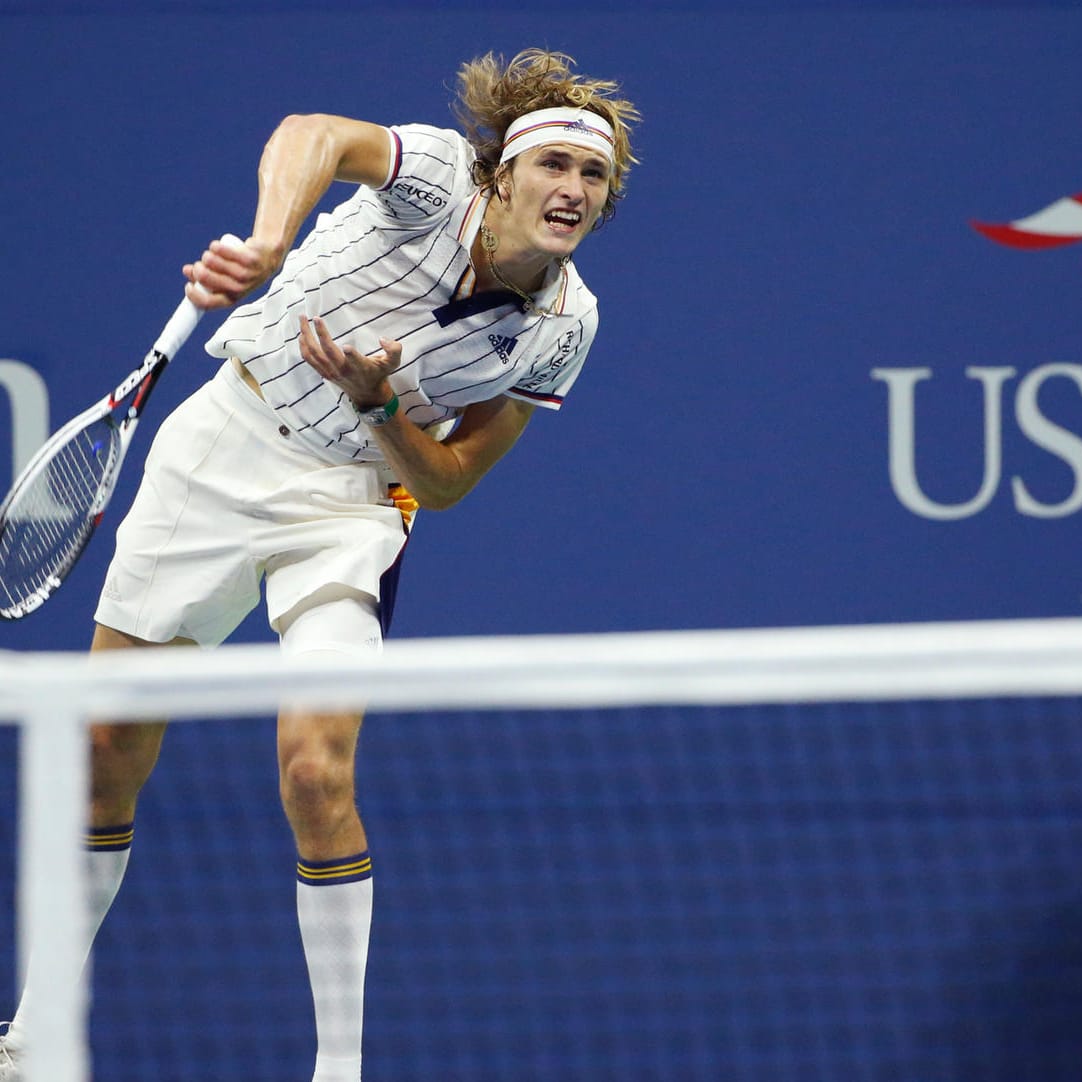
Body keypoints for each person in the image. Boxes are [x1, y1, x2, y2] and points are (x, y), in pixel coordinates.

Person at [0, 49, 638, 1082]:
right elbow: (314, 132)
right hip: (224, 444)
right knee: (109, 740)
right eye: (553, 165)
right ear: (503, 174)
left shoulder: (566, 325)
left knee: (314, 766)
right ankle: (31, 1036)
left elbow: (446, 482)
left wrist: (379, 406)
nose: (570, 189)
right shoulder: (431, 174)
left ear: (603, 203)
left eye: (592, 177)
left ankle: (336, 1070)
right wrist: (265, 244)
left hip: (355, 500)